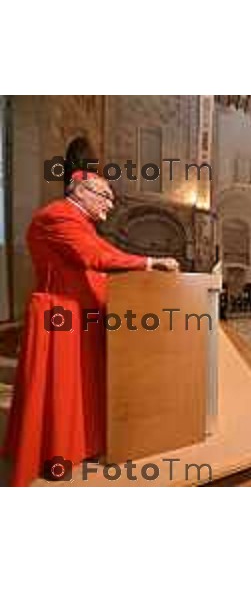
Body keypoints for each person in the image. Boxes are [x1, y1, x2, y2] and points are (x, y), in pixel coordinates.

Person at [2, 171, 180, 486]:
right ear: (83, 191)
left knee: (80, 387)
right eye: (106, 197)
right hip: (59, 315)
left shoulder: (79, 221)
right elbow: (94, 256)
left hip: (79, 314)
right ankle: (54, 452)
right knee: (63, 388)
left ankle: (79, 445)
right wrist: (149, 263)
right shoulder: (58, 215)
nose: (110, 206)